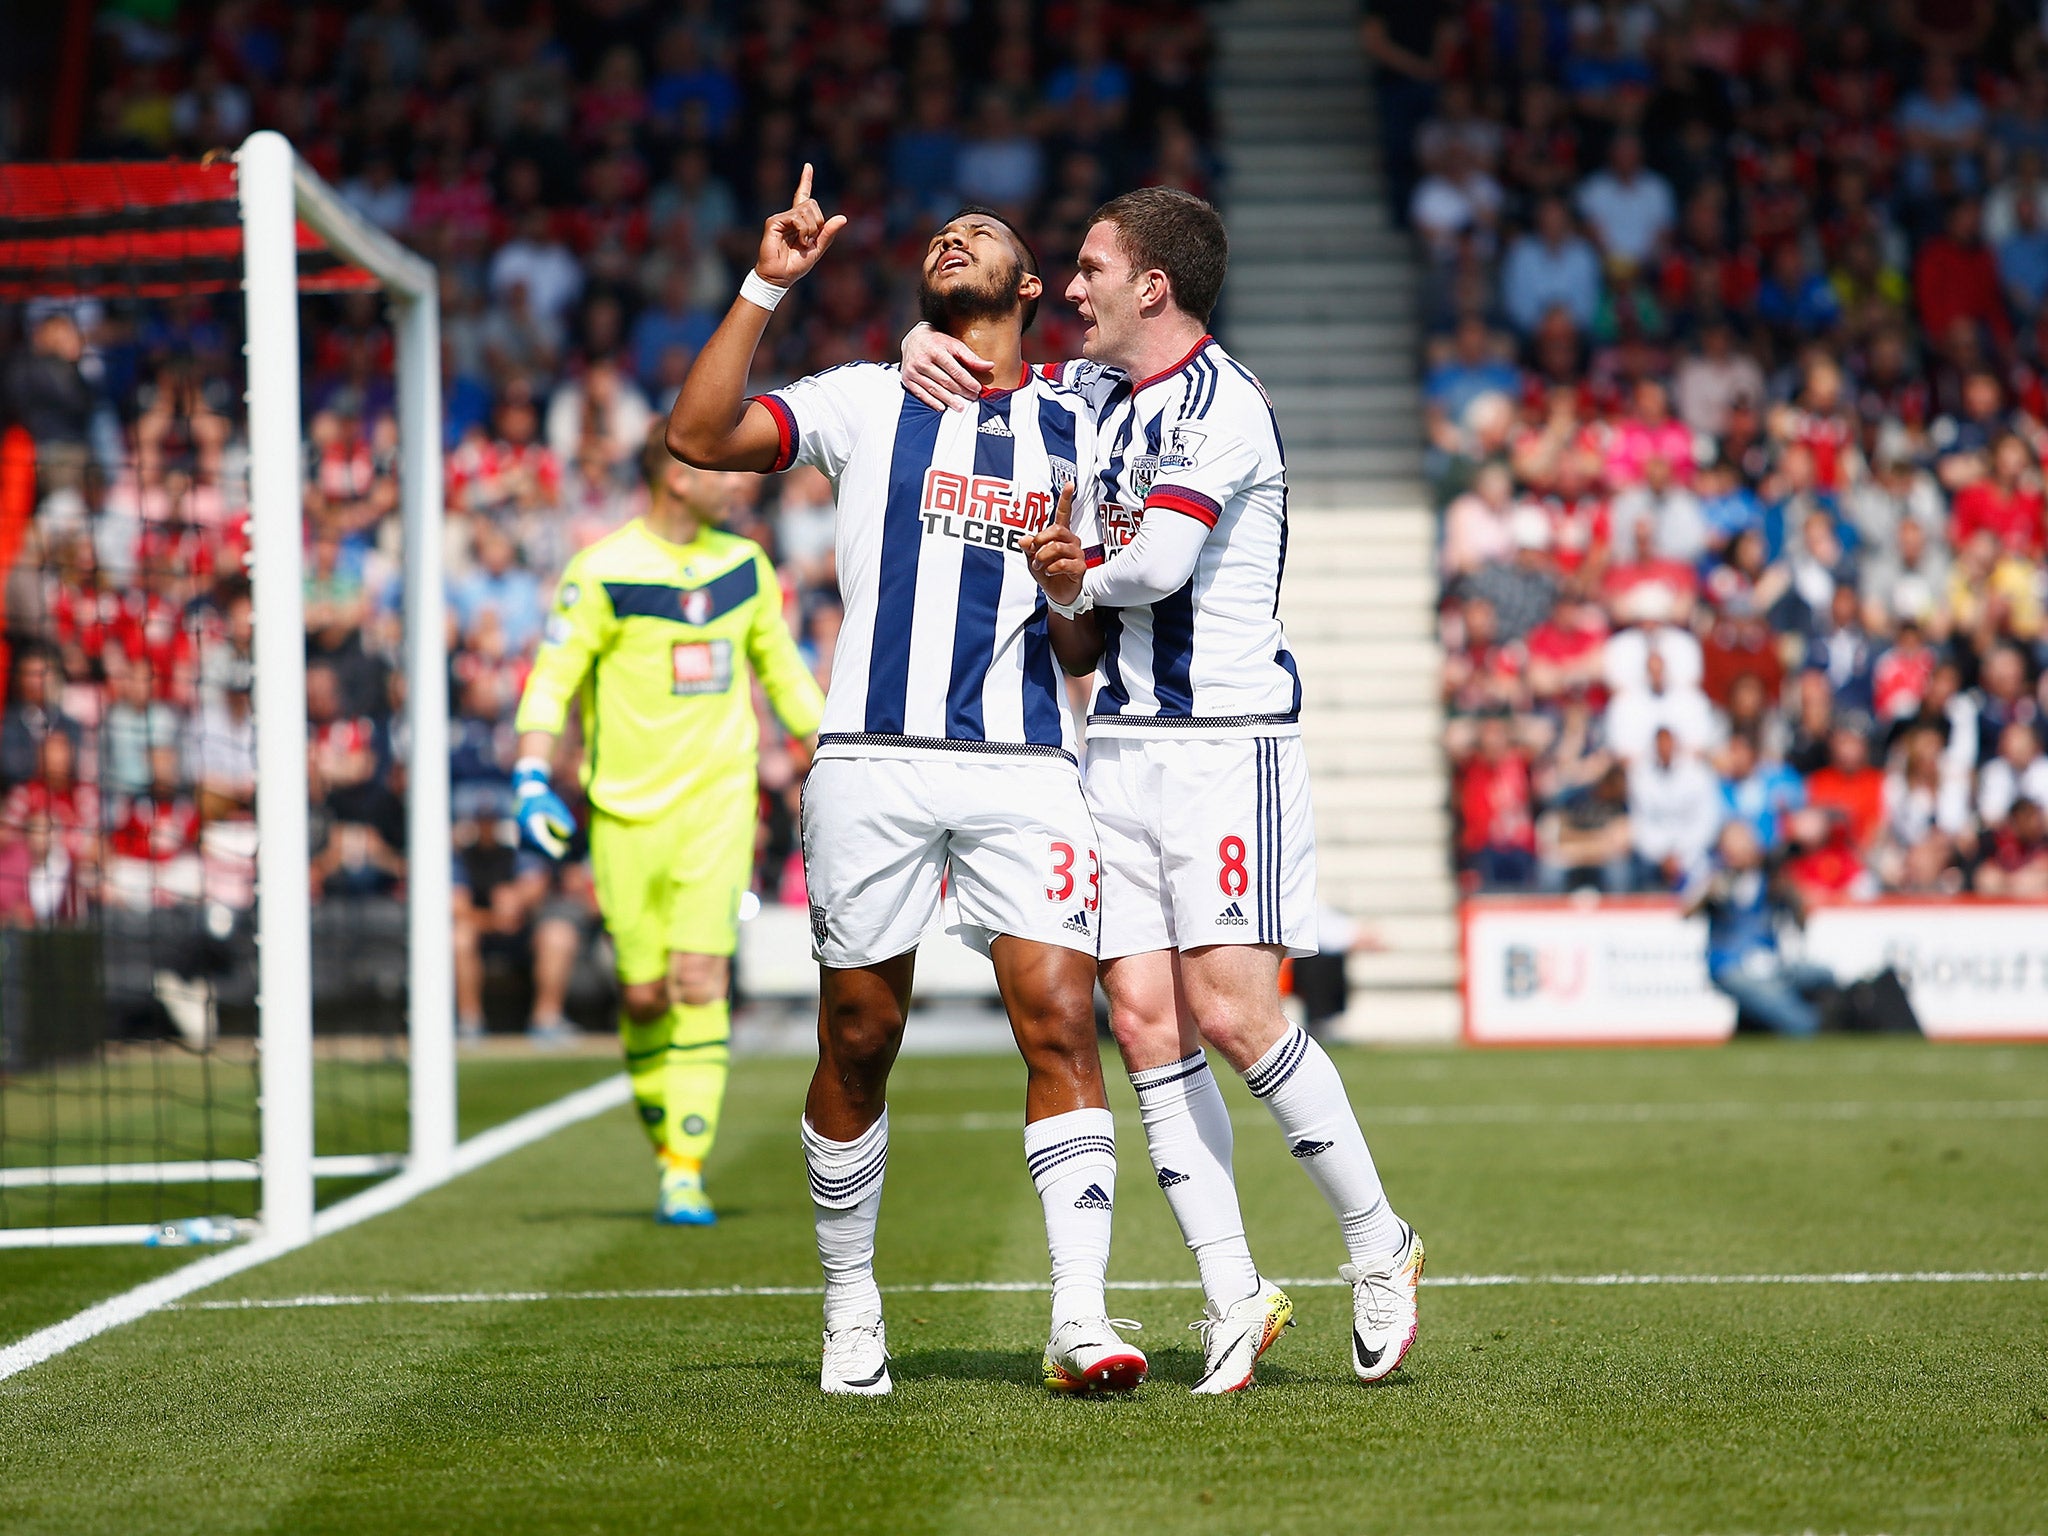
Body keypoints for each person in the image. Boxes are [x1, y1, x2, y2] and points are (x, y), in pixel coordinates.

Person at [903, 187, 1424, 1392]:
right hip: (1120, 747)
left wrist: (1072, 578)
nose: (1068, 289)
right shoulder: (1091, 396)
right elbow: (988, 383)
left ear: (1153, 287)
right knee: (1138, 1023)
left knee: (1236, 1015)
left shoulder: (1221, 407)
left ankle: (1376, 1244)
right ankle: (1232, 1292)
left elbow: (1159, 562)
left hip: (1226, 748)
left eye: (1089, 268)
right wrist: (916, 344)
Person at [667, 171, 1142, 1399]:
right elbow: (699, 435)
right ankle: (848, 1307)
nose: (951, 236)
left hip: (1025, 763)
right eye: (939, 234)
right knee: (859, 1037)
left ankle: (1079, 1318)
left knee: (1058, 1022)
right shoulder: (870, 397)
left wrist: (1064, 584)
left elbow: (1085, 646)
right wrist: (768, 281)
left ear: (1029, 286)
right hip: (870, 759)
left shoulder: (1084, 424)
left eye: (980, 231)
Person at [511, 422, 825, 1227]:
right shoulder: (603, 571)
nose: (737, 479)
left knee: (698, 981)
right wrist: (531, 775)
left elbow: (785, 676)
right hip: (623, 814)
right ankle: (668, 1143)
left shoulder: (744, 567)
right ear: (678, 477)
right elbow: (552, 681)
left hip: (719, 808)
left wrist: (835, 751)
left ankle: (685, 1166)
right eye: (720, 466)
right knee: (645, 994)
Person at [1684, 819, 1836, 1038]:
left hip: (1770, 964)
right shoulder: (1717, 880)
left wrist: (1788, 886)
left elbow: (1802, 919)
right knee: (1799, 1022)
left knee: (1823, 976)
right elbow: (1686, 913)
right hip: (1732, 967)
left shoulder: (1771, 880)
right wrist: (1711, 890)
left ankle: (1753, 1024)